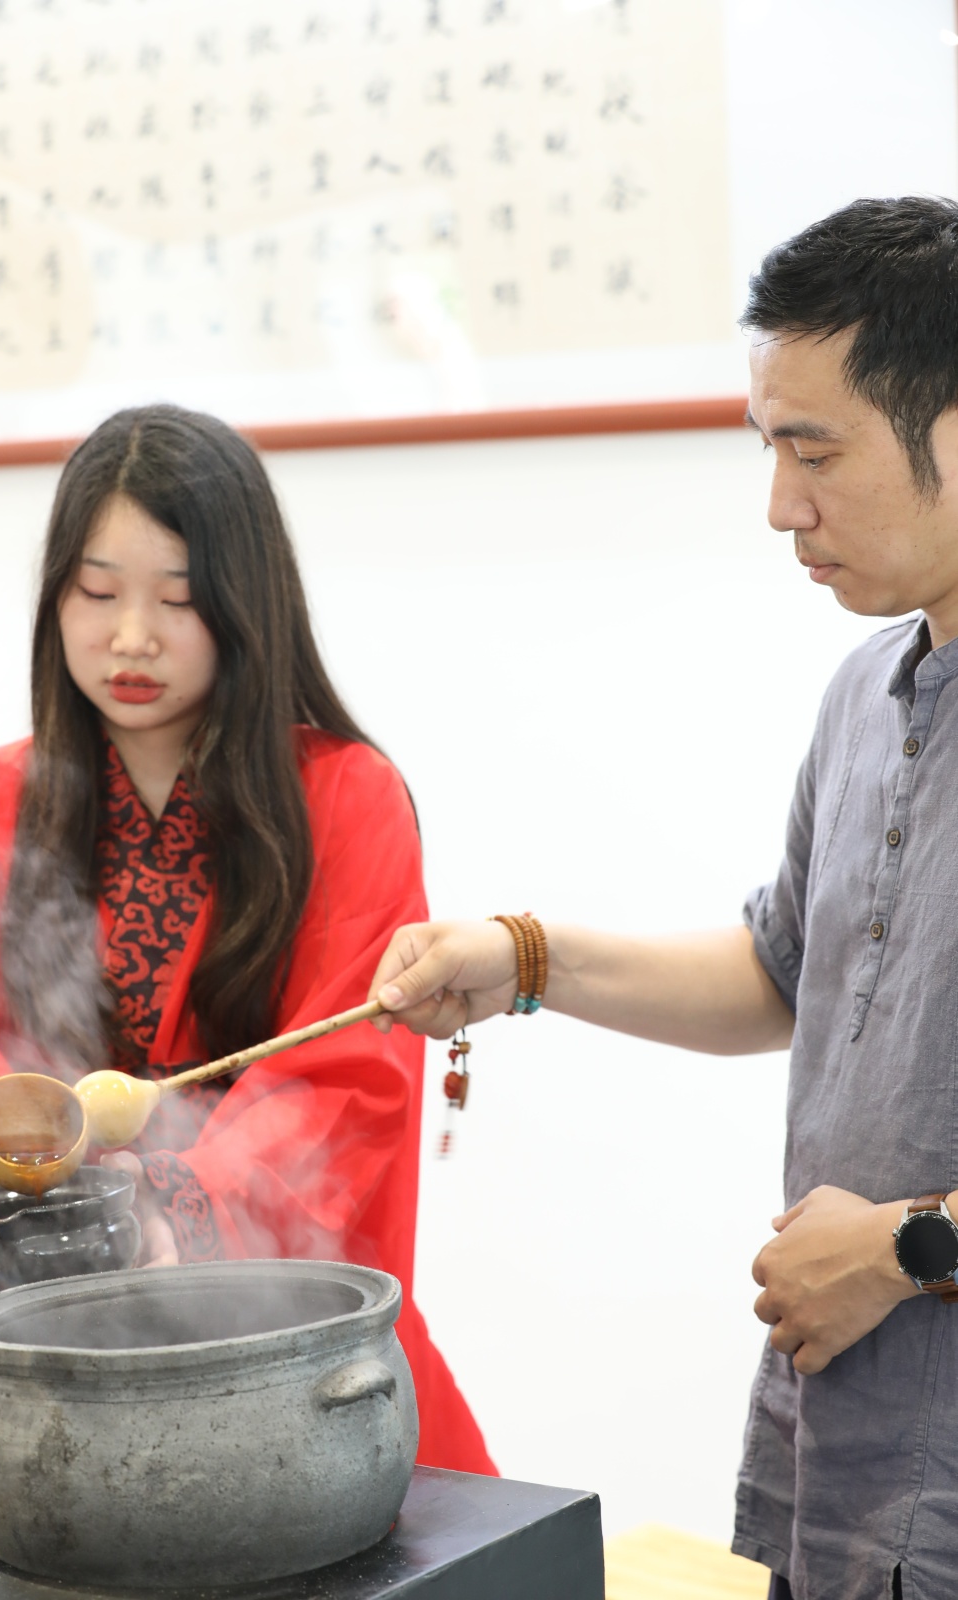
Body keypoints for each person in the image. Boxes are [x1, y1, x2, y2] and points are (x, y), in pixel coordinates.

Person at [367, 196, 958, 1600]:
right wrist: (524, 958)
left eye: (815, 452)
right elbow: (778, 972)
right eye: (767, 448)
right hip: (850, 1452)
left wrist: (904, 1245)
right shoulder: (864, 694)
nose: (780, 505)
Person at [0, 403, 495, 1497]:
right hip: (52, 1369)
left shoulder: (345, 799)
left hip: (290, 1370)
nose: (132, 636)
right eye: (96, 592)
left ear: (246, 604)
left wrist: (173, 1202)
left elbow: (342, 1083)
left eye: (177, 600)